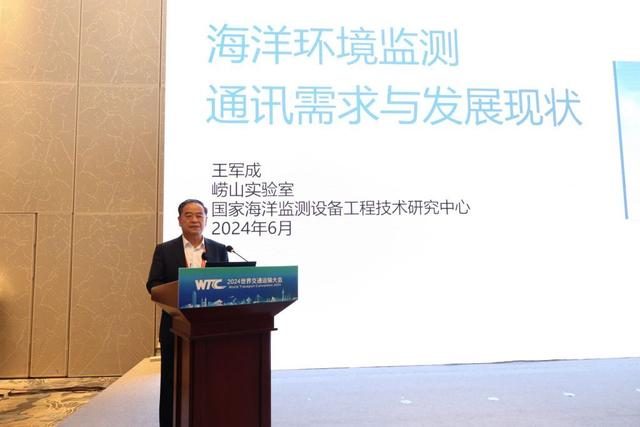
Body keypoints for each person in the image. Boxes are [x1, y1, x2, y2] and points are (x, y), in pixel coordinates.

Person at [146, 199, 228, 427]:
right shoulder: (165, 250)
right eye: (189, 215)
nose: (194, 220)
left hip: (211, 328)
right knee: (172, 382)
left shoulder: (220, 249)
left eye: (199, 215)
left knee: (210, 381)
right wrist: (177, 292)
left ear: (206, 220)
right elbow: (153, 284)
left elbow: (227, 283)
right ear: (180, 220)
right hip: (175, 326)